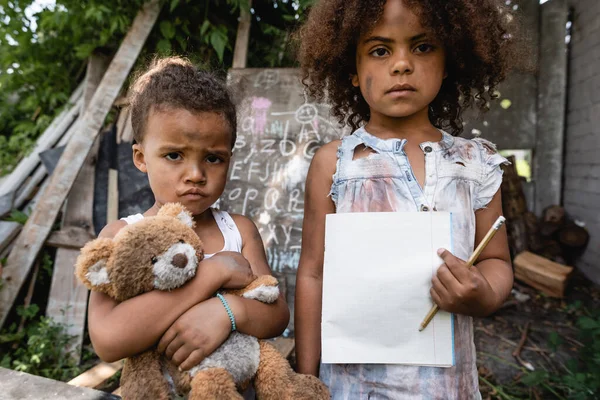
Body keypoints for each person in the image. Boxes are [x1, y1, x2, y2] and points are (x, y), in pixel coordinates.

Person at [295, 0, 522, 397]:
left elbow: (496, 259)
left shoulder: (477, 163)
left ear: (450, 59)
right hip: (349, 386)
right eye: (380, 50)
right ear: (351, 69)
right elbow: (314, 273)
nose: (401, 64)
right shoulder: (335, 163)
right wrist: (305, 379)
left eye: (422, 47)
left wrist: (484, 294)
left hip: (448, 387)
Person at [88, 57, 289, 377]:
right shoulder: (121, 237)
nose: (195, 174)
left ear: (229, 159)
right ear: (141, 158)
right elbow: (108, 341)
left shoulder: (237, 231)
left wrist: (228, 310)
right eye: (174, 155)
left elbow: (276, 315)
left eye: (213, 158)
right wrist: (213, 273)